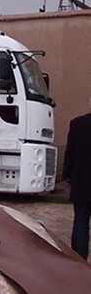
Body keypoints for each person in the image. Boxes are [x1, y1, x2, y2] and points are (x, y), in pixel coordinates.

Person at [63, 99, 91, 260]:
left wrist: (67, 176)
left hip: (82, 182)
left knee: (81, 220)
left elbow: (70, 153)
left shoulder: (78, 124)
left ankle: (80, 259)